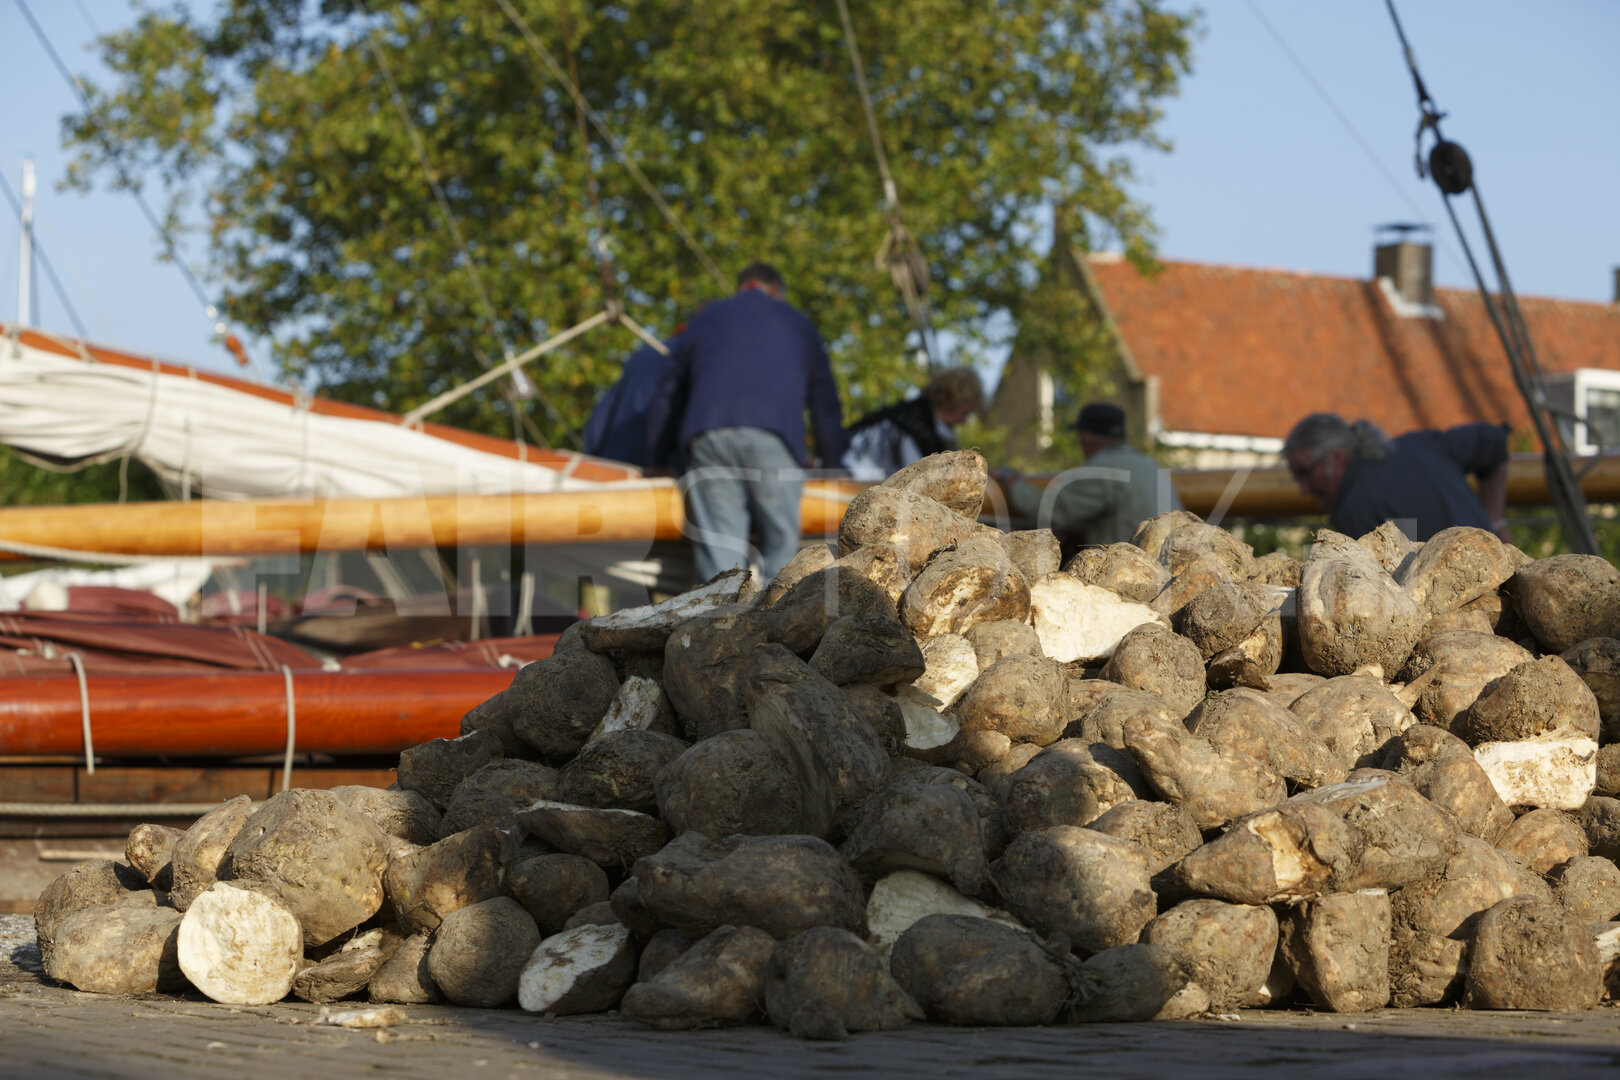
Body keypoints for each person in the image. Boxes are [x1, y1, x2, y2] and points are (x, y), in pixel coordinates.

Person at [646, 261, 844, 583]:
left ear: (742, 286)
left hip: (709, 437)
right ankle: (778, 624)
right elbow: (825, 404)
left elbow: (667, 394)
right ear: (777, 291)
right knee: (782, 551)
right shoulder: (796, 322)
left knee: (721, 557)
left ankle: (720, 624)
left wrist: (655, 459)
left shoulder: (706, 319)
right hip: (773, 439)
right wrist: (833, 464)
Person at [1282, 412, 1510, 542]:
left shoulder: (1356, 511)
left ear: (1338, 456)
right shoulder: (1419, 445)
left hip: (1453, 616)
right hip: (1500, 582)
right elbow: (1493, 440)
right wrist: (1494, 521)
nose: (1303, 489)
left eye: (1305, 472)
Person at [992, 402, 1182, 547]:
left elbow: (1054, 508)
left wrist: (1012, 482)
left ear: (1087, 436)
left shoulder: (1103, 469)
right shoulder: (1150, 465)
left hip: (1131, 574)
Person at [841, 367, 985, 481]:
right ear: (952, 402)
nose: (965, 421)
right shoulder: (906, 429)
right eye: (965, 413)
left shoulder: (918, 426)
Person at [581, 336, 680, 469]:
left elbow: (599, 422)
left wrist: (593, 462)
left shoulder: (643, 356)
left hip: (613, 463)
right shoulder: (693, 355)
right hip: (661, 470)